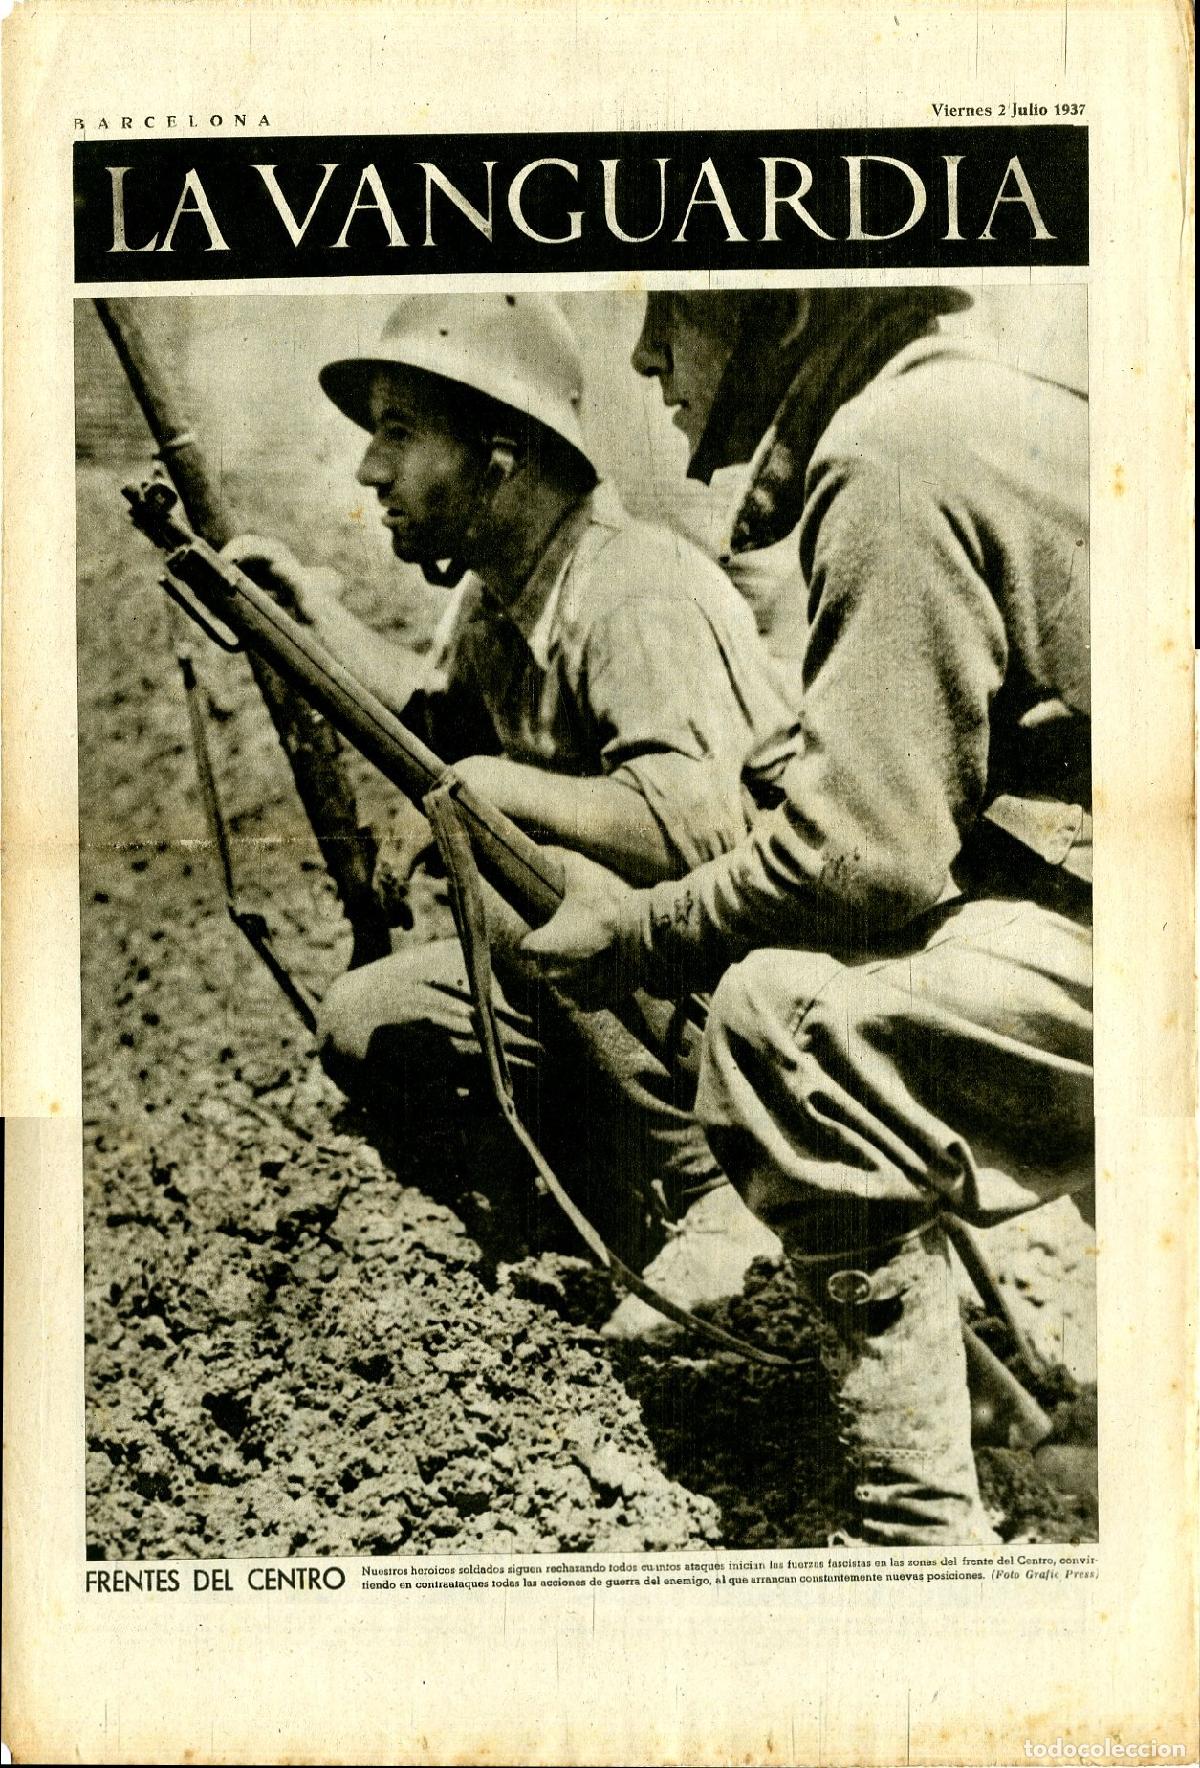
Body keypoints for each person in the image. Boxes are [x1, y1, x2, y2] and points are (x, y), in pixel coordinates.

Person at [521, 287, 1092, 1545]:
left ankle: (917, 1534)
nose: (645, 353)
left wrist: (647, 931)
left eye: (675, 308)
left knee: (780, 1026)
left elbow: (866, 859)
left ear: (778, 308)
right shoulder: (977, 410)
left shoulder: (887, 452)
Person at [227, 292, 791, 1290]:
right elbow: (427, 712)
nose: (370, 467)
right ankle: (602, 1230)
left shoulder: (636, 592)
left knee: (493, 856)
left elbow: (702, 829)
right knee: (370, 1023)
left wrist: (488, 790)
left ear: (500, 455)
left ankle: (720, 1202)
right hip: (633, 991)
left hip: (755, 1014)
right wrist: (306, 615)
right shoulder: (500, 596)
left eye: (399, 432)